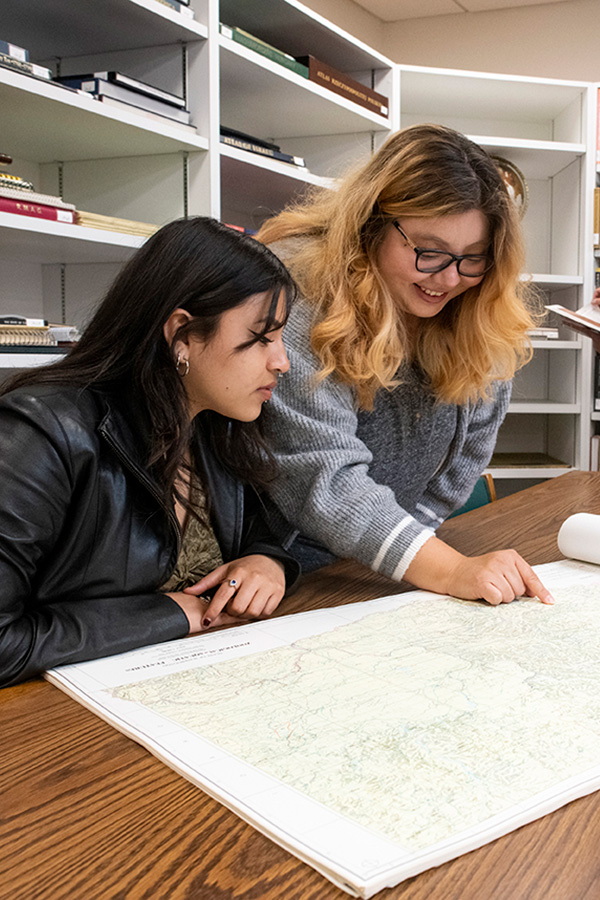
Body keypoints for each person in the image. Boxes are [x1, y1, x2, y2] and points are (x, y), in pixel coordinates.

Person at [257, 123, 554, 608]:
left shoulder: (479, 306)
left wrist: (415, 554)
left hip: (379, 571)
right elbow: (324, 479)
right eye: (428, 252)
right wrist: (450, 568)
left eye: (473, 258)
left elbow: (459, 466)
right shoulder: (300, 293)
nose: (449, 278)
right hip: (274, 569)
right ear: (373, 222)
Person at [0, 216, 300, 688]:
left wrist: (267, 561)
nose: (282, 361)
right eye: (262, 338)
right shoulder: (42, 431)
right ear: (181, 335)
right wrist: (170, 614)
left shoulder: (216, 421)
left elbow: (266, 526)